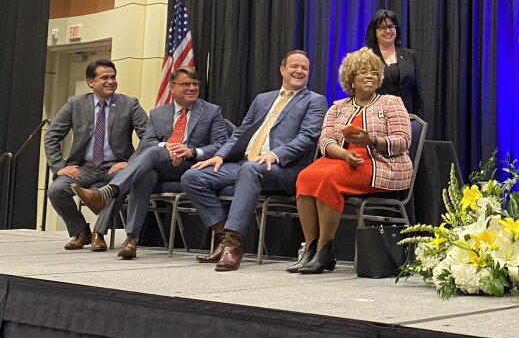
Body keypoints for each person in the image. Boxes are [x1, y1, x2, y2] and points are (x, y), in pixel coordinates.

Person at [181, 50, 327, 271]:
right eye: (294, 66)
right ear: (282, 70)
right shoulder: (263, 99)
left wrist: (276, 154)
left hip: (284, 169)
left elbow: (307, 138)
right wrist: (219, 155)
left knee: (250, 169)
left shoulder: (315, 101)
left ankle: (233, 246)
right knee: (192, 176)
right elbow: (240, 133)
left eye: (304, 68)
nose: (299, 71)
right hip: (246, 164)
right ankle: (224, 236)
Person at [73, 67, 228, 259]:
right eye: (186, 84)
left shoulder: (211, 111)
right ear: (172, 87)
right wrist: (167, 146)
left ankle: (108, 191)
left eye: (195, 84)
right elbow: (147, 142)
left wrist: (192, 151)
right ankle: (132, 239)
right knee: (145, 174)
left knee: (153, 153)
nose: (192, 88)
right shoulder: (158, 114)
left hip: (192, 167)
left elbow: (222, 145)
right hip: (161, 165)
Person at [288, 47, 412, 275]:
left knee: (328, 178)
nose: (370, 76)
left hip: (379, 165)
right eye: (363, 72)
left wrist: (372, 139)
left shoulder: (391, 103)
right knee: (305, 177)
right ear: (351, 79)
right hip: (342, 159)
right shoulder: (338, 107)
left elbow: (403, 141)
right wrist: (345, 154)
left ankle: (326, 249)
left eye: (374, 72)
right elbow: (324, 141)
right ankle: (311, 247)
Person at [44, 59, 148, 251]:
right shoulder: (75, 104)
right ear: (91, 82)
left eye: (113, 77)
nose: (111, 81)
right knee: (56, 190)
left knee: (120, 185)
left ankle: (99, 233)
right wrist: (60, 167)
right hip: (84, 166)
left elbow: (149, 137)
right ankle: (81, 231)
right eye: (104, 78)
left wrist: (130, 164)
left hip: (116, 166)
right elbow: (52, 136)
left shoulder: (129, 104)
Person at [365, 9, 424, 117]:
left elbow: (417, 94)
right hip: (376, 117)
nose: (388, 31)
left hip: (407, 117)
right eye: (383, 27)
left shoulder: (410, 56)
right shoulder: (366, 57)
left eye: (391, 27)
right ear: (374, 31)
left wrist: (419, 120)